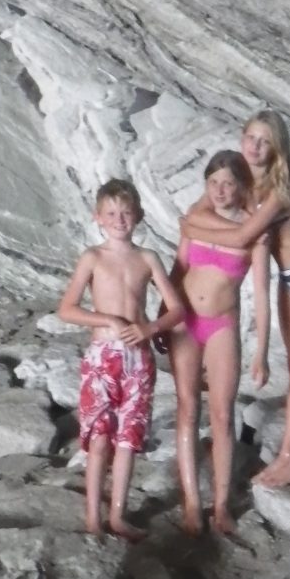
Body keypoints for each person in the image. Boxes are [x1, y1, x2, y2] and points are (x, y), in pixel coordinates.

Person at [180, 110, 290, 487]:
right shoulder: (236, 175)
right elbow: (198, 210)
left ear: (276, 149)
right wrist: (191, 223)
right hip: (288, 275)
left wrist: (190, 227)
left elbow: (239, 237)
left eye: (265, 141)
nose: (255, 146)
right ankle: (285, 456)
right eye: (251, 137)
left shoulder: (278, 191)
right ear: (242, 138)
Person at [57, 178, 183, 540]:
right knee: (99, 437)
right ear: (98, 217)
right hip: (102, 356)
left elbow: (177, 309)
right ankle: (92, 517)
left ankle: (117, 516)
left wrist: (150, 328)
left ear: (139, 215)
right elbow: (67, 309)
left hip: (138, 359)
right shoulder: (93, 257)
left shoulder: (147, 258)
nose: (119, 220)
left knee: (128, 438)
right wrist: (107, 320)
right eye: (111, 214)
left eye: (126, 213)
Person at [163, 150, 270, 537]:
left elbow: (262, 294)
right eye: (213, 182)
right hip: (185, 321)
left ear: (241, 186)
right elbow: (179, 269)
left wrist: (261, 351)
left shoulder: (255, 232)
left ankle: (221, 505)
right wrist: (162, 316)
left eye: (228, 183)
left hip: (222, 324)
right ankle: (192, 502)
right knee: (187, 408)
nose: (220, 190)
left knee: (223, 414)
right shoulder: (196, 219)